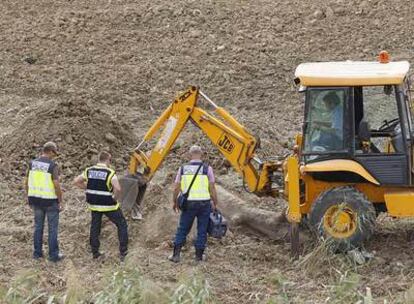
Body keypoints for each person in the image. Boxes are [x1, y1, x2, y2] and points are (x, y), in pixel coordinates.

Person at [73, 151, 128, 261]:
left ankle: (95, 253)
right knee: (122, 224)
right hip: (108, 205)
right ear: (108, 160)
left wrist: (88, 188)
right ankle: (123, 252)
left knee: (95, 227)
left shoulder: (89, 170)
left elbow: (76, 181)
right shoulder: (110, 172)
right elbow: (118, 188)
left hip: (94, 204)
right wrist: (115, 198)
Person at [169, 145, 219, 263]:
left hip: (188, 204)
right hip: (204, 203)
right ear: (201, 155)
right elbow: (212, 187)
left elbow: (176, 187)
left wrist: (174, 201)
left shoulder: (182, 168)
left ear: (189, 155)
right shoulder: (208, 169)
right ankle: (198, 257)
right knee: (202, 229)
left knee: (183, 228)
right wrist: (215, 201)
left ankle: (176, 255)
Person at [25, 141, 64, 262]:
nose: (54, 156)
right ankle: (53, 255)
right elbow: (56, 185)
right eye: (54, 153)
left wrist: (28, 195)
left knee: (38, 227)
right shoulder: (52, 166)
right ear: (51, 151)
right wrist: (60, 200)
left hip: (35, 199)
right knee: (52, 229)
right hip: (50, 201)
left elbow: (26, 182)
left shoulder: (32, 163)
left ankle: (37, 254)